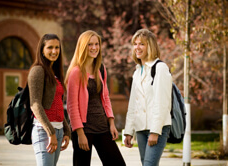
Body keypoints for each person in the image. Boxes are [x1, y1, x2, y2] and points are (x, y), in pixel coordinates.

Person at [65, 30, 126, 166]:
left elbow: (105, 97)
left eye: (96, 44)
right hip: (84, 129)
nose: (94, 48)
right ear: (82, 47)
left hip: (102, 127)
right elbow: (72, 106)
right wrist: (80, 133)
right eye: (89, 44)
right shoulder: (76, 72)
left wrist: (111, 122)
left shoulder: (100, 69)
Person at [124, 29, 172, 166]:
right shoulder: (137, 71)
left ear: (150, 46)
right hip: (140, 128)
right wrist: (128, 131)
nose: (137, 48)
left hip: (157, 127)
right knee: (146, 163)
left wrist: (155, 131)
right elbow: (133, 104)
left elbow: (161, 103)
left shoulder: (160, 68)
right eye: (135, 44)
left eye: (142, 44)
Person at [28, 34, 71, 166]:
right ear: (42, 50)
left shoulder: (55, 73)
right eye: (50, 47)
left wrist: (66, 130)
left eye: (57, 47)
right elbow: (35, 104)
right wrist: (50, 132)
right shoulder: (37, 71)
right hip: (43, 131)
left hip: (58, 131)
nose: (54, 51)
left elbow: (57, 105)